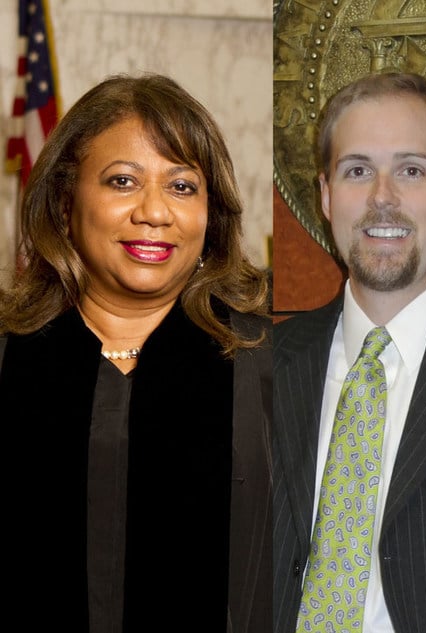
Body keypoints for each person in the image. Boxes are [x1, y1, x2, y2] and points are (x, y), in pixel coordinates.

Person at [0, 74, 272, 632]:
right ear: (64, 203)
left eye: (181, 187)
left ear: (211, 215)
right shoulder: (10, 359)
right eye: (123, 181)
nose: (155, 212)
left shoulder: (269, 364)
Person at [272, 72, 426, 632]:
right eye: (357, 170)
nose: (381, 198)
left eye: (411, 171)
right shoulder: (260, 364)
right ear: (325, 194)